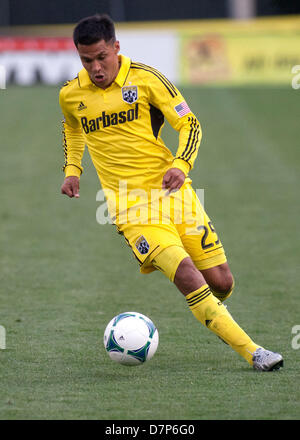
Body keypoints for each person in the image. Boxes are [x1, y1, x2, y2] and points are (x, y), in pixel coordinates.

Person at [59, 14, 283, 371]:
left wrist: (181, 164)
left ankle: (210, 310)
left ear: (116, 47)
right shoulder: (71, 95)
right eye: (87, 60)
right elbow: (73, 127)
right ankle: (254, 352)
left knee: (221, 282)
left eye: (102, 57)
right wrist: (73, 170)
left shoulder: (147, 80)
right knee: (187, 275)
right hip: (131, 211)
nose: (96, 67)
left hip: (174, 194)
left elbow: (189, 123)